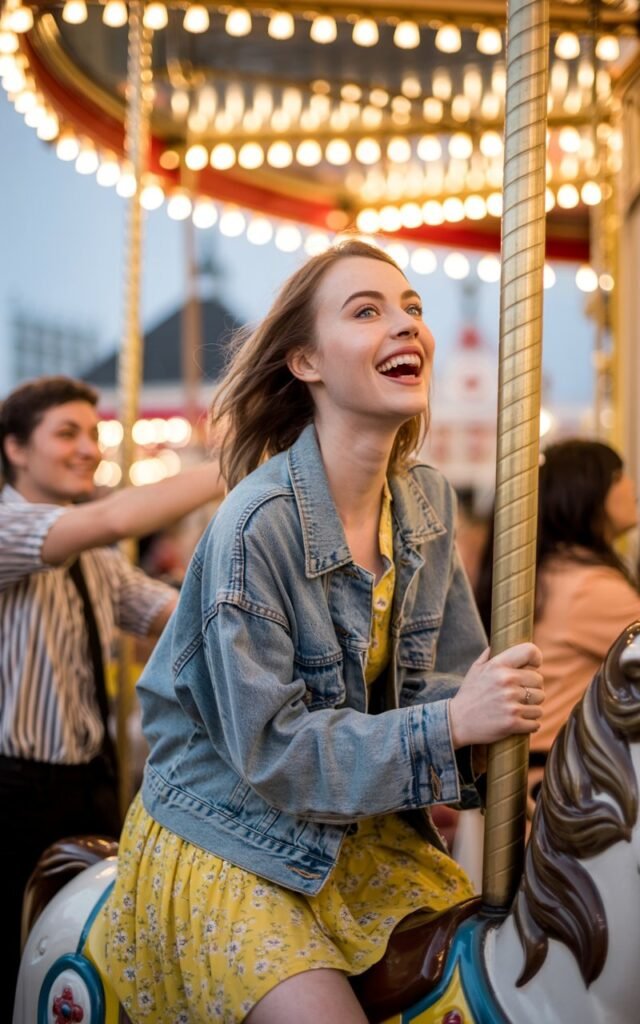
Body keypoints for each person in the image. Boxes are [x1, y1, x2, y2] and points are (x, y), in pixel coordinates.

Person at [103, 240, 543, 1024]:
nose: (406, 324)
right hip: (230, 832)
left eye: (411, 307)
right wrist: (448, 728)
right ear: (305, 360)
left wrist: (500, 739)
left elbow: (450, 680)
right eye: (367, 311)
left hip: (361, 835)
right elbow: (273, 750)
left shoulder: (427, 503)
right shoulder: (257, 525)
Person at [0, 374, 224, 1004]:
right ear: (16, 449)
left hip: (90, 781)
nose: (88, 449)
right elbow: (117, 515)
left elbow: (172, 615)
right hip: (15, 786)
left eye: (91, 433)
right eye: (66, 433)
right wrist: (235, 461)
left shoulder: (97, 558)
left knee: (89, 955)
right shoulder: (11, 528)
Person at [475, 438, 640, 801]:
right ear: (585, 493)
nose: (631, 487)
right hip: (564, 786)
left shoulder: (555, 572)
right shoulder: (588, 587)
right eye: (618, 476)